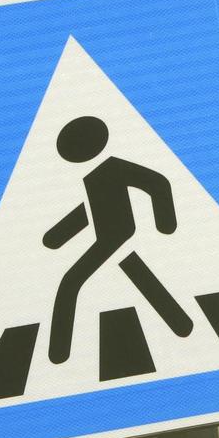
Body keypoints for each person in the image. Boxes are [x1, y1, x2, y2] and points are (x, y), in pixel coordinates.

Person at [42, 115, 192, 364]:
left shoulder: (115, 167)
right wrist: (57, 236)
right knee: (140, 277)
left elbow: (157, 183)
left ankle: (58, 354)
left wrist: (165, 224)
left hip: (117, 235)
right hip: (111, 237)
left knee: (70, 283)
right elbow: (88, 211)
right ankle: (183, 326)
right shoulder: (94, 177)